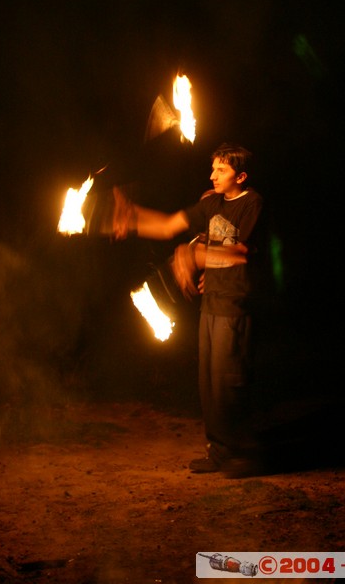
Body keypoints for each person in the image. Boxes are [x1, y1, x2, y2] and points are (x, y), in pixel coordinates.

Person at [112, 142, 264, 477]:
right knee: (209, 381)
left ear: (240, 175)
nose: (213, 175)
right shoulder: (211, 204)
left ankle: (244, 453)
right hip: (210, 304)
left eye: (221, 170)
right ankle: (219, 451)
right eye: (212, 168)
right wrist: (131, 217)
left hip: (234, 304)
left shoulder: (251, 203)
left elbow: (237, 253)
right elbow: (168, 225)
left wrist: (193, 255)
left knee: (229, 381)